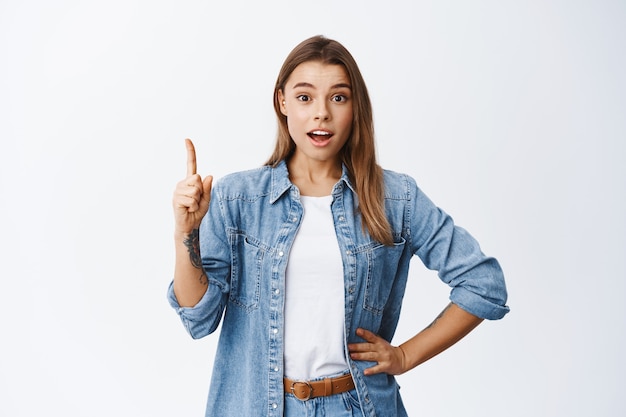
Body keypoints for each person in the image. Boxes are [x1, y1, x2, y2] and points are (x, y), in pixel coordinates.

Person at [168, 35, 509, 417]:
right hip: (257, 405)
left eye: (338, 97)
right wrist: (187, 234)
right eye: (304, 97)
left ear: (354, 107)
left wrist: (404, 356)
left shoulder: (395, 199)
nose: (321, 114)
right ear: (282, 102)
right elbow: (198, 318)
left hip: (356, 406)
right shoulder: (237, 198)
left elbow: (484, 284)